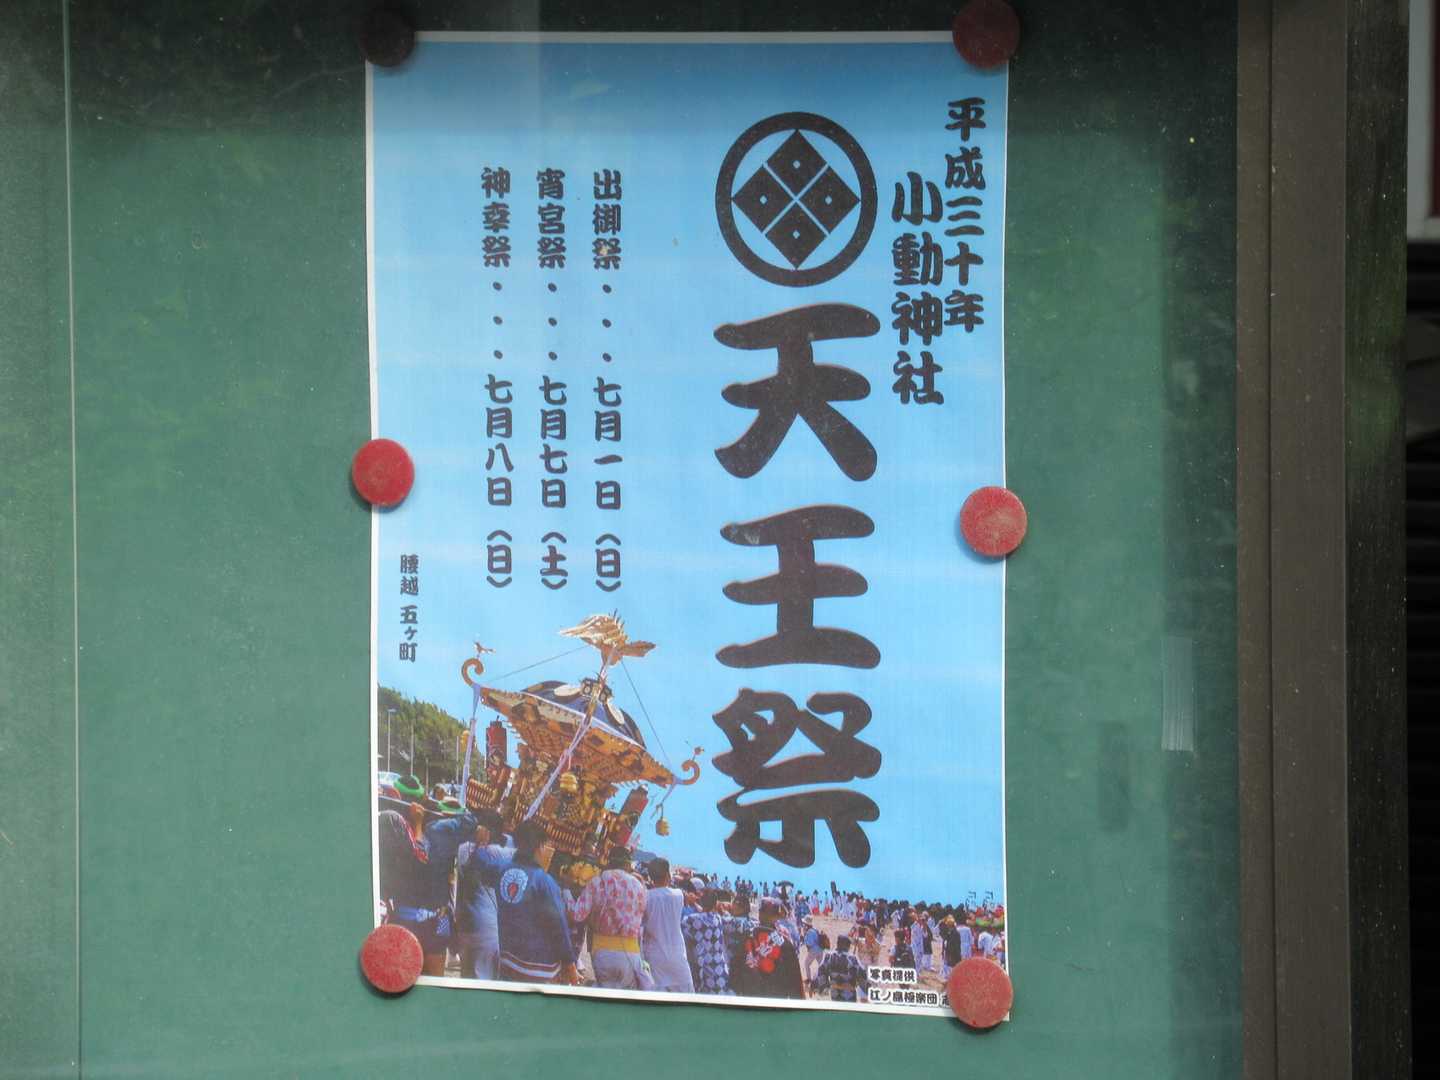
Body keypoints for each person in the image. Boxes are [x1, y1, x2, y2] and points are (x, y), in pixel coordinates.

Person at [492, 820, 577, 984]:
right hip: (538, 967)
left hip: (506, 959)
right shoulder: (544, 881)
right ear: (539, 847)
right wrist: (569, 963)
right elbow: (558, 924)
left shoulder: (502, 870)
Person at [568, 846, 652, 990]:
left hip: (602, 952)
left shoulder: (597, 882)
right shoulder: (639, 886)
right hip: (631, 953)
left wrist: (566, 893)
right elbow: (643, 919)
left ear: (608, 862)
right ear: (628, 865)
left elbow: (577, 915)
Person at [454, 809, 512, 980]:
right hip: (488, 930)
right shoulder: (500, 853)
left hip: (465, 926)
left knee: (467, 979)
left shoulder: (463, 849)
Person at [682, 890, 754, 994]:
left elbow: (686, 923)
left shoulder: (692, 920)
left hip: (703, 968)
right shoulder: (719, 919)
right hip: (720, 969)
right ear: (715, 904)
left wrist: (692, 903)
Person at [731, 899, 805, 1000]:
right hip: (776, 999)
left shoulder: (747, 936)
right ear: (776, 917)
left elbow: (735, 969)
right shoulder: (785, 942)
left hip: (751, 997)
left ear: (760, 914)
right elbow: (795, 979)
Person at [641, 858, 694, 993]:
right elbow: (689, 897)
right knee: (686, 999)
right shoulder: (678, 895)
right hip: (677, 956)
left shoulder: (645, 897)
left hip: (654, 957)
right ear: (667, 875)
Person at [813, 934, 869, 1002]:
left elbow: (821, 972)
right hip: (849, 995)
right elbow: (862, 975)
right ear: (848, 946)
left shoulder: (829, 956)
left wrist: (823, 987)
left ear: (837, 944)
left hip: (835, 994)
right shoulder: (852, 958)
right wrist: (868, 990)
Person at [802, 921, 822, 985]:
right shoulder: (815, 930)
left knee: (806, 964)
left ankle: (809, 979)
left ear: (807, 925)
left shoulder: (809, 932)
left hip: (814, 950)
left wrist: (804, 936)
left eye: (804, 924)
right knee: (821, 965)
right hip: (820, 949)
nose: (803, 925)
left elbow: (809, 943)